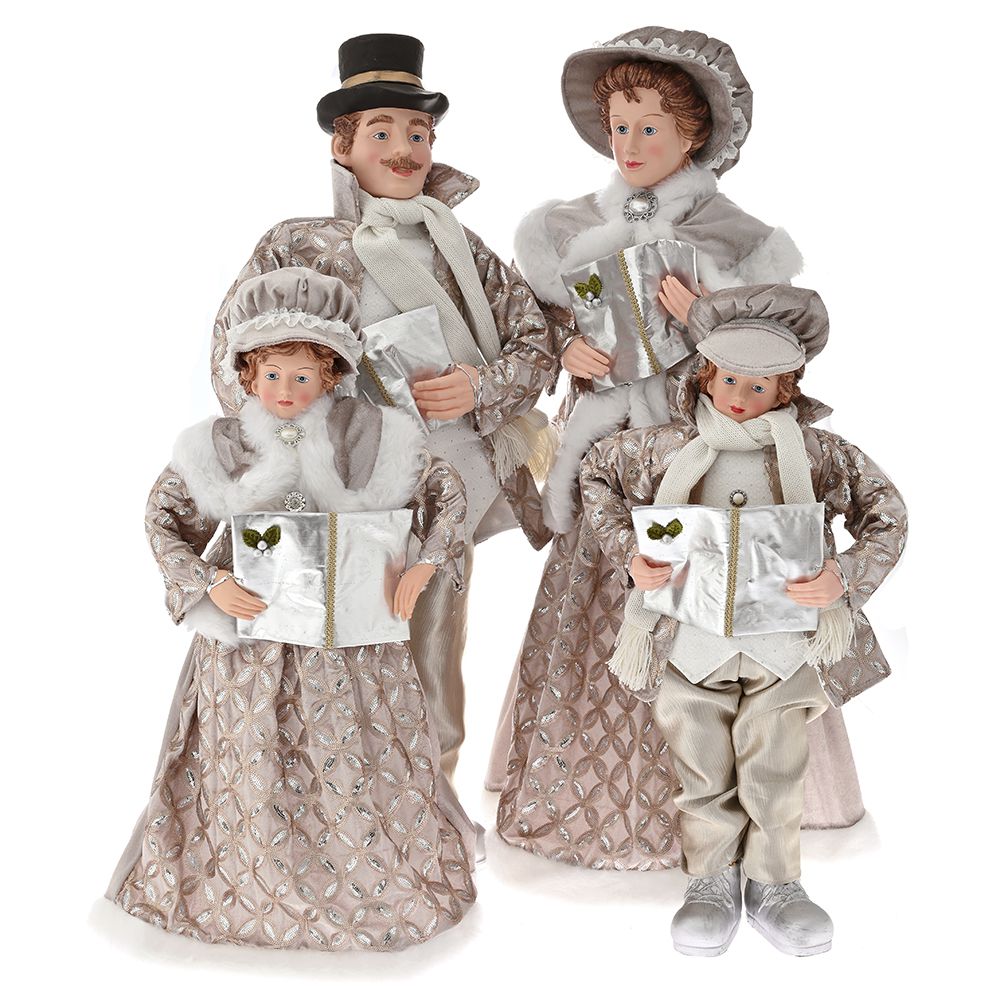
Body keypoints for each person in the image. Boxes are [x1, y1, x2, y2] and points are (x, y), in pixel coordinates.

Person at [490, 25, 864, 866]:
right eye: (618, 126)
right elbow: (537, 329)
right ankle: (578, 781)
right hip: (606, 452)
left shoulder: (736, 237)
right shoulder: (568, 226)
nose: (628, 144)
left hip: (698, 458)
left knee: (711, 596)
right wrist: (567, 352)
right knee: (604, 588)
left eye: (649, 127)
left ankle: (741, 794)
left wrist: (705, 316)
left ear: (693, 135)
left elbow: (772, 359)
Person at [210, 33, 558, 778]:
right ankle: (328, 801)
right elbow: (231, 353)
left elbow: (536, 343)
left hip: (446, 475)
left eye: (419, 133)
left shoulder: (462, 247)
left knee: (433, 638)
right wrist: (300, 423)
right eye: (382, 132)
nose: (405, 150)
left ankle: (434, 800)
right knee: (324, 641)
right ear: (343, 147)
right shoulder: (297, 245)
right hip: (333, 483)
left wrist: (481, 386)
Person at [107, 269, 477, 951]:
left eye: (304, 377)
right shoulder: (220, 446)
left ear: (331, 374)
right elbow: (163, 518)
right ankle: (251, 875)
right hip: (255, 643)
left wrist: (424, 562)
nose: (286, 391)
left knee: (357, 756)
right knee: (251, 755)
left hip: (352, 643)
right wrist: (205, 583)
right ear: (248, 375)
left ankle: (360, 874)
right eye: (273, 375)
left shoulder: (374, 436)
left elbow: (445, 495)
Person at [579, 284, 906, 955]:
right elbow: (596, 476)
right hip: (688, 640)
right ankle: (710, 881)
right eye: (729, 378)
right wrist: (630, 554)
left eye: (760, 386)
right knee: (700, 767)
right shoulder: (662, 449)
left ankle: (775, 883)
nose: (740, 396)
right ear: (706, 373)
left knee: (775, 768)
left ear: (787, 388)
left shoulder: (817, 454)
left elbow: (887, 513)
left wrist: (844, 577)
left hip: (782, 646)